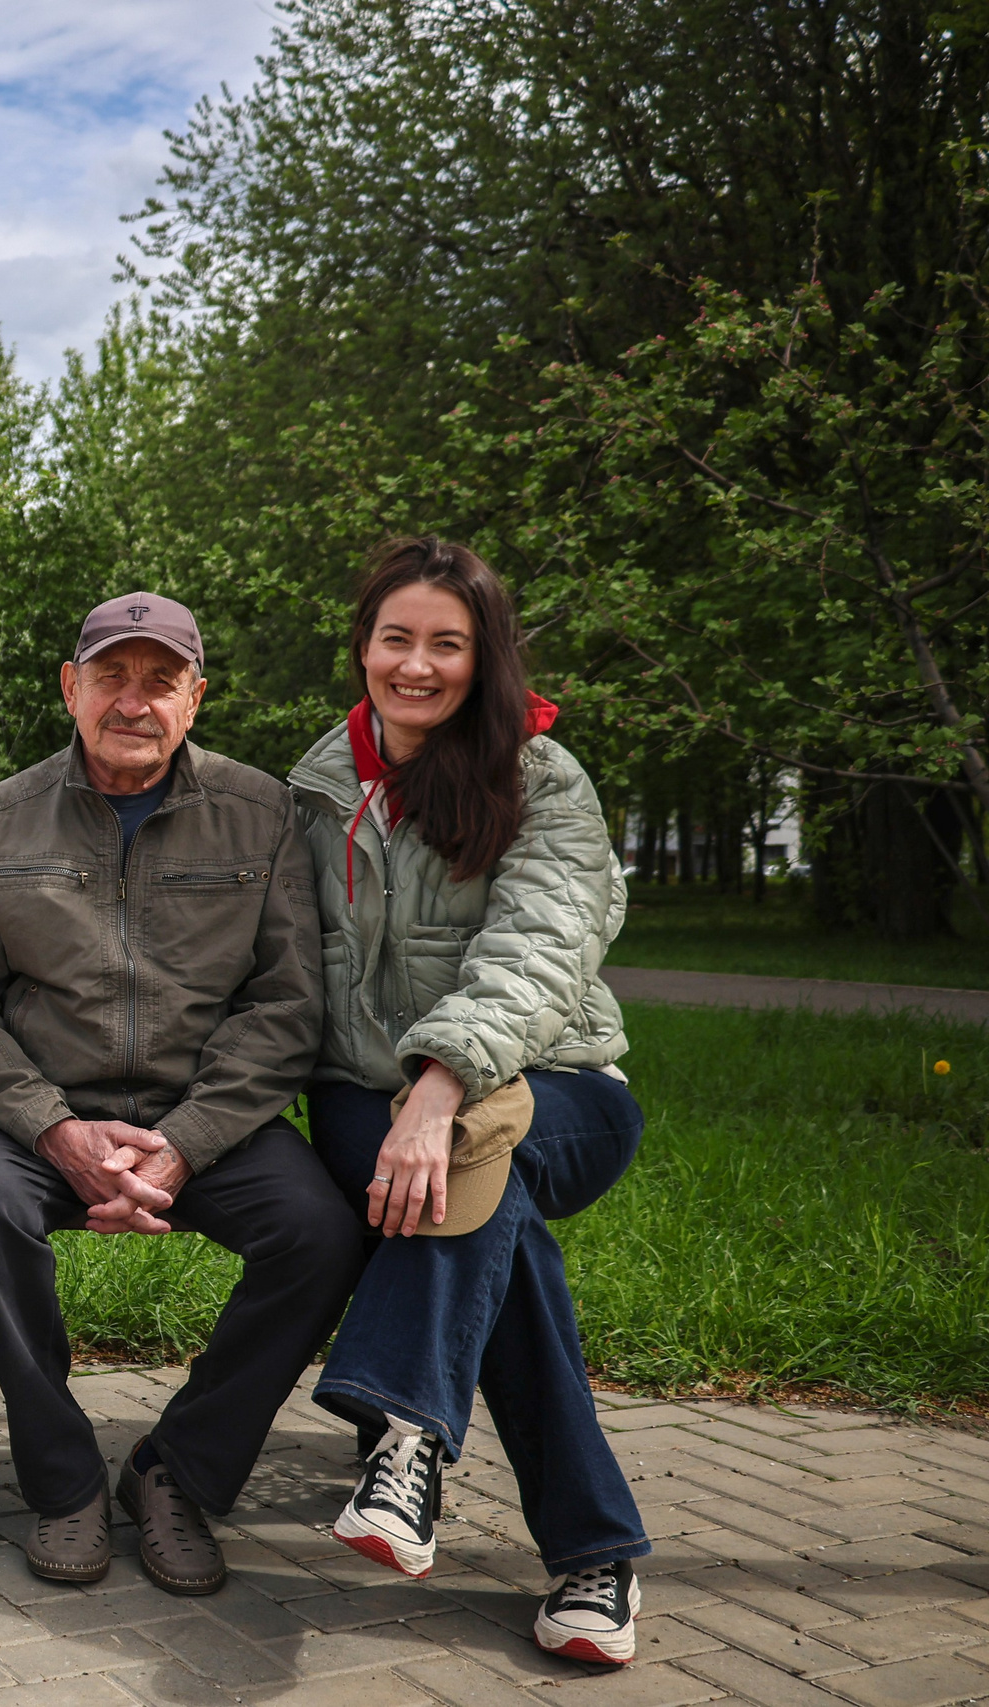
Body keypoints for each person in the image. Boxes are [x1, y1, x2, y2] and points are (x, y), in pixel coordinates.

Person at [0, 592, 365, 1592]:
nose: (132, 701)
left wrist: (184, 1142)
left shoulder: (260, 812)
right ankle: (64, 1480)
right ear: (69, 689)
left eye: (158, 681)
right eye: (110, 677)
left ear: (195, 698)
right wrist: (52, 1130)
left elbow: (287, 1003)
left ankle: (175, 1472)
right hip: (45, 1114)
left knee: (318, 1234)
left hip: (205, 1119)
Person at [288, 538, 647, 1666]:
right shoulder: (313, 787)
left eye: (447, 643)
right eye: (397, 638)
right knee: (501, 1229)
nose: (417, 664)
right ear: (362, 646)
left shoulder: (541, 779)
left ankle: (403, 1437)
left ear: (481, 656)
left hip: (559, 1090)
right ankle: (593, 1556)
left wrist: (441, 1086)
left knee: (472, 1151)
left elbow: (540, 950)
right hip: (363, 1097)